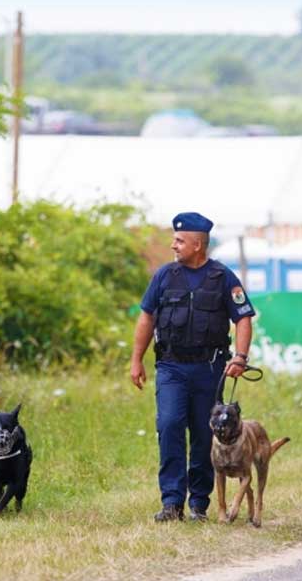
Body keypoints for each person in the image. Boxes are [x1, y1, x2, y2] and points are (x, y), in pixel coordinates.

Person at [130, 212, 255, 523]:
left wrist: (240, 356)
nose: (173, 245)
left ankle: (199, 503)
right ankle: (172, 503)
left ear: (198, 245)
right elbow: (146, 317)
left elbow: (243, 318)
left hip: (209, 368)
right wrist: (136, 360)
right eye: (174, 238)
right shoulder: (163, 276)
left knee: (204, 433)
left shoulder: (223, 278)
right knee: (170, 425)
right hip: (171, 367)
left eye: (179, 240)